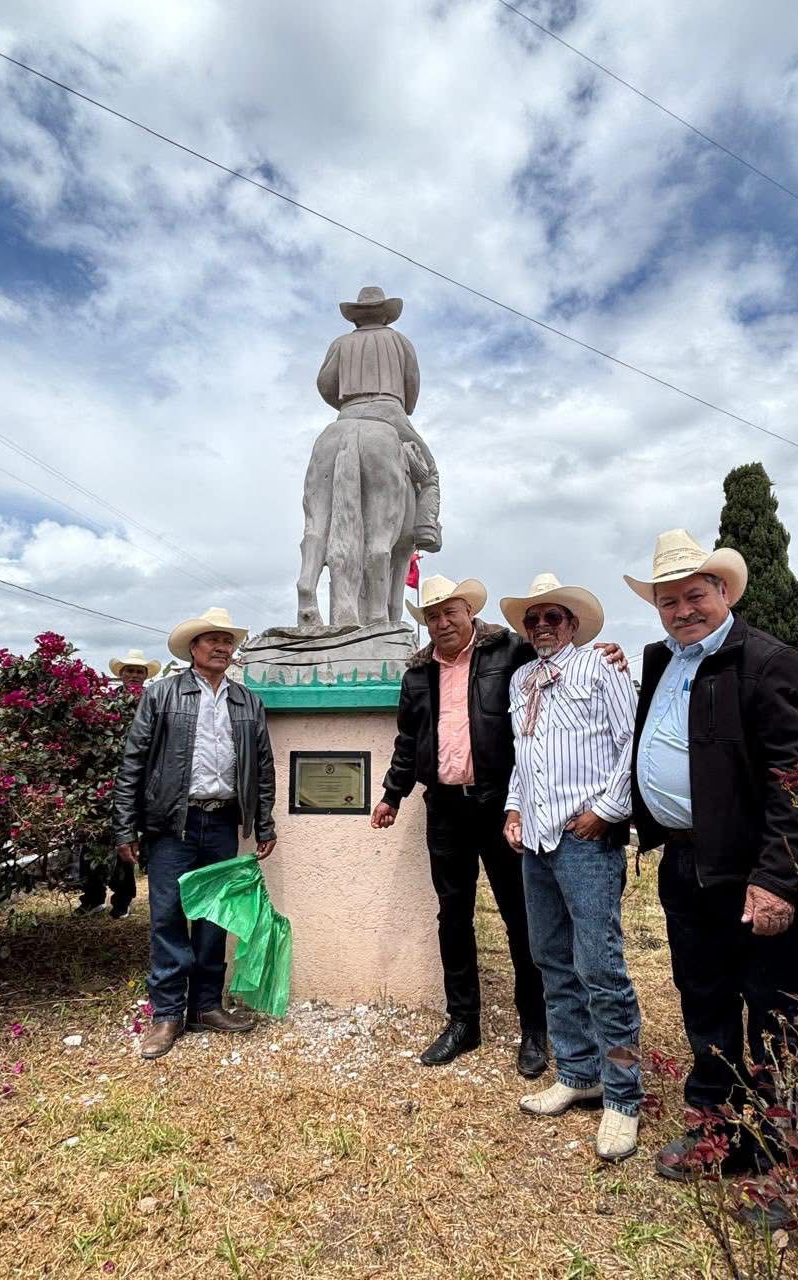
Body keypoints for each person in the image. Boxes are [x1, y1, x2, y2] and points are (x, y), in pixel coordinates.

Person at [372, 573, 627, 1075]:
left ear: (470, 613)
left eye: (451, 612)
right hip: (444, 808)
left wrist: (608, 652)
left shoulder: (508, 651)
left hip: (500, 806)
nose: (443, 623)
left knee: (521, 917)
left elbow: (557, 657)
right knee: (453, 916)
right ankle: (463, 1022)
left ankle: (535, 1027)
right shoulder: (417, 674)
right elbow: (408, 741)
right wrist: (392, 795)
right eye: (433, 616)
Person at [625, 529, 798, 1179]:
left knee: (774, 1012)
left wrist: (776, 880)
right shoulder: (661, 659)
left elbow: (795, 781)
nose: (683, 610)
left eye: (695, 595)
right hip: (684, 864)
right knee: (702, 1000)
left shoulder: (766, 660)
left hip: (748, 870)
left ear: (724, 591)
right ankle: (717, 1133)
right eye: (668, 600)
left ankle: (786, 1158)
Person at [500, 574, 642, 1162]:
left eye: (552, 617)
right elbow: (524, 756)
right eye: (532, 619)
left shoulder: (601, 667)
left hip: (583, 839)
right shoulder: (522, 680)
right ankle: (579, 1071)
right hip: (536, 841)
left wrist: (606, 811)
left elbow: (630, 743)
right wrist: (513, 809)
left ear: (573, 624)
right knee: (552, 959)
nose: (541, 626)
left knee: (600, 965)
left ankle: (623, 1095)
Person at [113, 607, 277, 1061]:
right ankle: (167, 1013)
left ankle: (206, 1006)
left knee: (214, 917)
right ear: (193, 648)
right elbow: (133, 762)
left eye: (227, 641)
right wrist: (124, 825)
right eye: (213, 640)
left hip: (222, 821)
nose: (222, 647)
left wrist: (264, 821)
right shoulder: (161, 694)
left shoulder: (247, 701)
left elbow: (263, 767)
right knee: (167, 916)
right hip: (172, 824)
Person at [317, 285, 441, 550]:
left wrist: (345, 405)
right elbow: (412, 384)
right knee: (430, 475)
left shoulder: (340, 343)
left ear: (356, 317)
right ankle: (426, 526)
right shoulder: (401, 342)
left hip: (348, 414)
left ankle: (321, 534)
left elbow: (325, 384)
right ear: (385, 315)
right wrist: (403, 406)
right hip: (391, 413)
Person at [75, 648, 163, 919]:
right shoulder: (106, 703)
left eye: (139, 671)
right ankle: (92, 897)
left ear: (145, 675)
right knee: (92, 841)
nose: (134, 675)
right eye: (130, 671)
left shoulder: (153, 702)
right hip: (103, 784)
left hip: (137, 783)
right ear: (121, 674)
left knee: (126, 841)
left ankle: (122, 900)